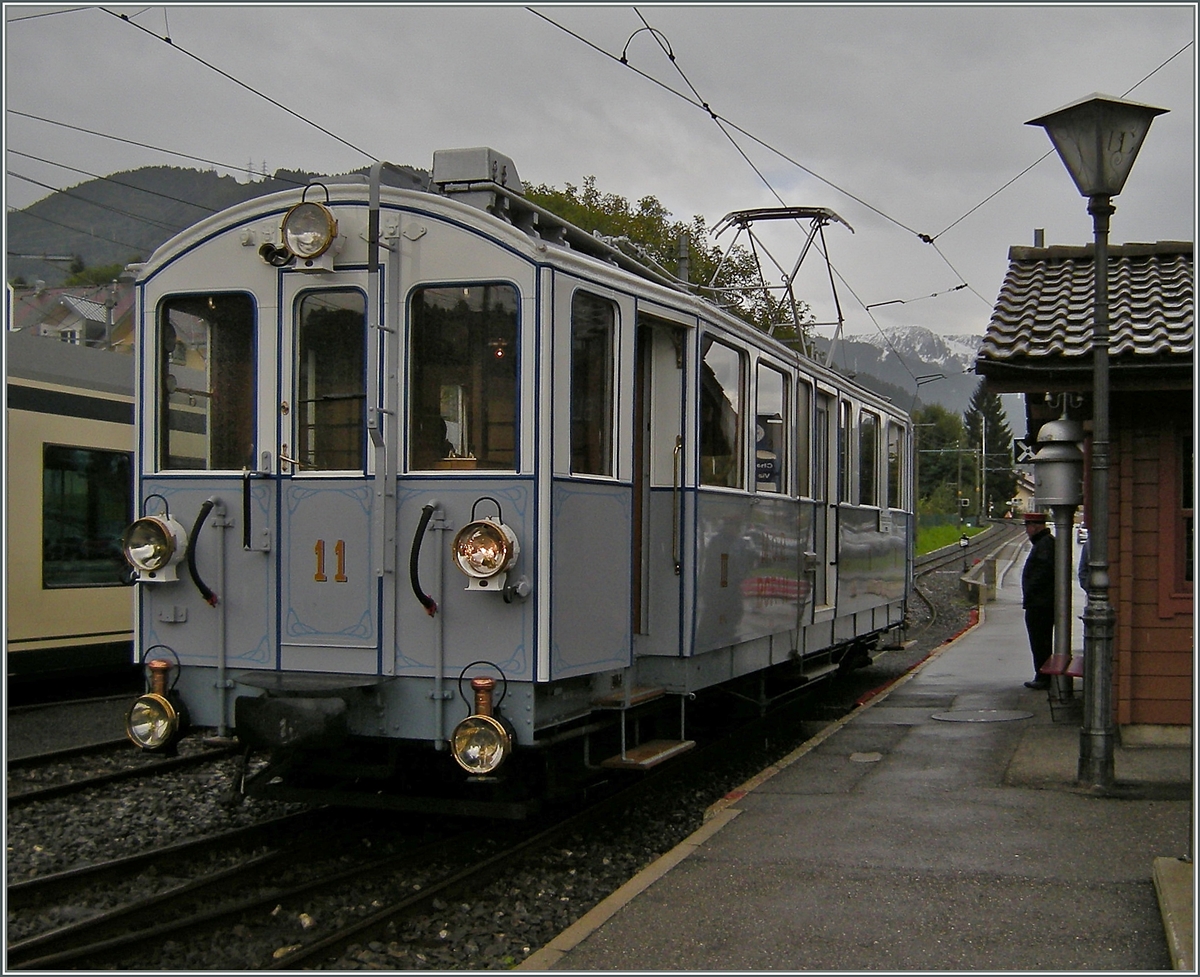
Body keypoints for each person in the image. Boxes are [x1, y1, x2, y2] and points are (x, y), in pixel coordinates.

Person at [1020, 511, 1055, 690]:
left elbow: (1040, 574)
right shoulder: (1044, 544)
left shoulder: (1044, 546)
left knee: (1040, 641)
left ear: (1035, 527)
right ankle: (1043, 674)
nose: (1027, 531)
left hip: (1040, 604)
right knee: (1041, 641)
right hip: (1040, 602)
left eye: (1028, 526)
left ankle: (1043, 676)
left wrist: (1030, 591)